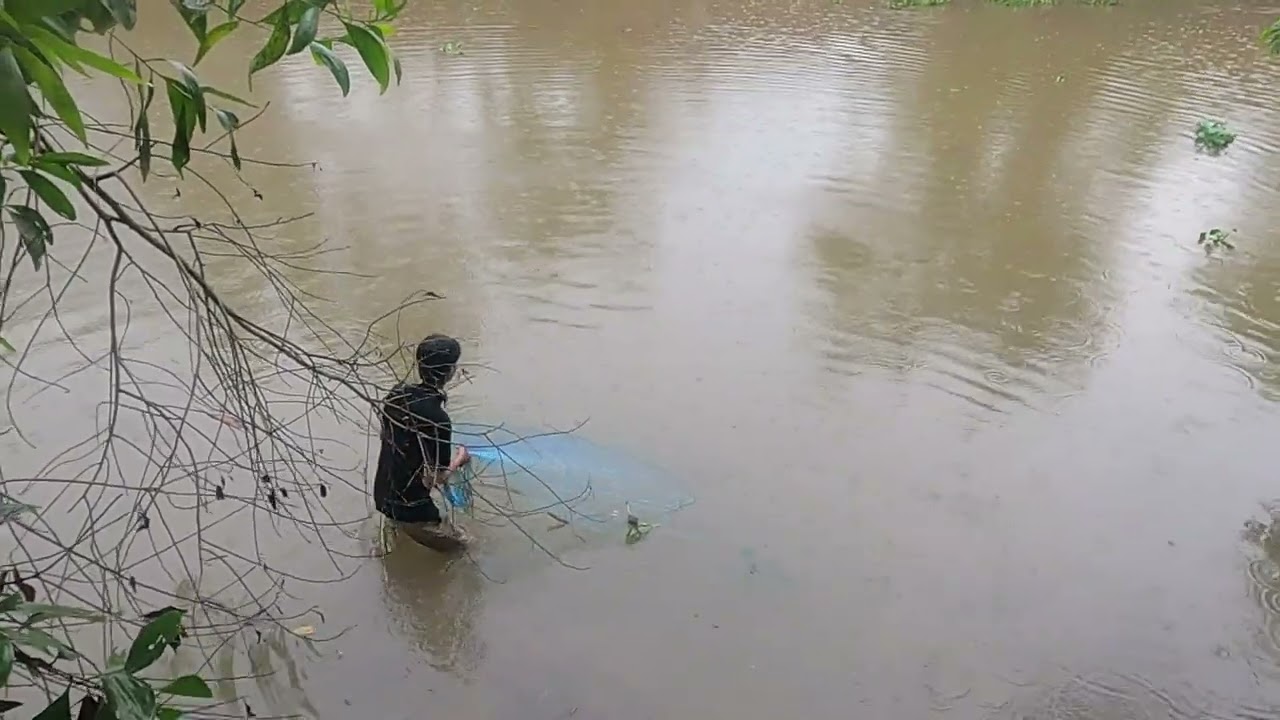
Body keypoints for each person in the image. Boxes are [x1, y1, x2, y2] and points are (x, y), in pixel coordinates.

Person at [373, 334, 471, 552]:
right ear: (450, 372)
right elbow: (436, 477)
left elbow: (389, 439)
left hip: (382, 495)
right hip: (411, 509)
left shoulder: (396, 395)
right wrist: (460, 460)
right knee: (465, 550)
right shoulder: (438, 420)